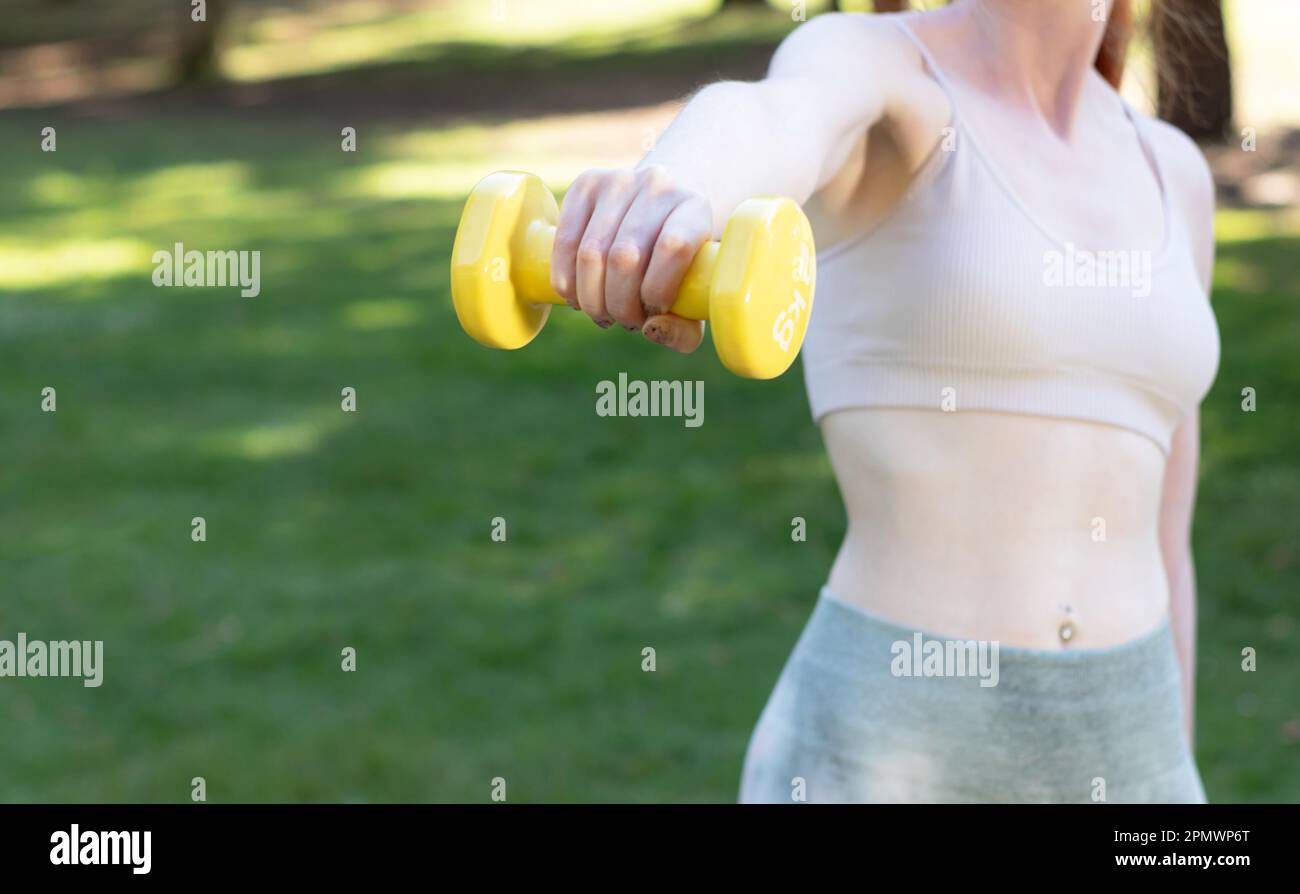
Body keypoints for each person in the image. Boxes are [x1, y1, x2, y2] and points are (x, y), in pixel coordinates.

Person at [547, 0, 1219, 802]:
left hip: (1132, 752)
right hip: (881, 752)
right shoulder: (887, 73)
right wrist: (679, 191)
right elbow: (774, 116)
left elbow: (1166, 540)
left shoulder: (1174, 171)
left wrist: (1172, 775)